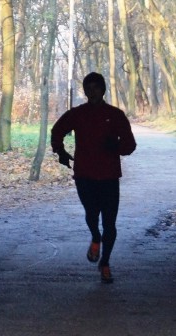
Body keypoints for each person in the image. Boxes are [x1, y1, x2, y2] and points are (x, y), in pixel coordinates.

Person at [50, 72, 136, 284]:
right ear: (85, 91)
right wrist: (60, 151)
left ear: (103, 90)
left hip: (109, 176)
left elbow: (130, 145)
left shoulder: (115, 115)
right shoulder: (78, 114)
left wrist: (115, 146)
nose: (92, 92)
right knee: (91, 213)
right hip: (85, 175)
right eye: (88, 88)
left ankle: (105, 263)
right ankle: (95, 237)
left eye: (96, 88)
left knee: (110, 222)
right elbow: (57, 130)